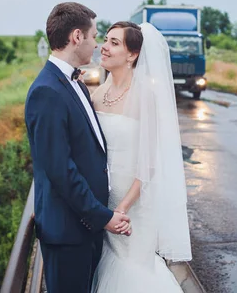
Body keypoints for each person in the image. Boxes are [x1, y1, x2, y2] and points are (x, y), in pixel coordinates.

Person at [24, 2, 131, 293]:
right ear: (76, 37)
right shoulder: (47, 91)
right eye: (95, 36)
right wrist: (102, 216)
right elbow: (60, 169)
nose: (97, 45)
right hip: (68, 232)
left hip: (86, 227)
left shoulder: (77, 83)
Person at [90, 21, 192, 292]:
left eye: (114, 43)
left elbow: (148, 166)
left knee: (132, 268)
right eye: (105, 40)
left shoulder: (145, 96)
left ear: (132, 55)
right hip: (102, 202)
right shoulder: (96, 95)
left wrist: (121, 210)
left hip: (132, 205)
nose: (105, 46)